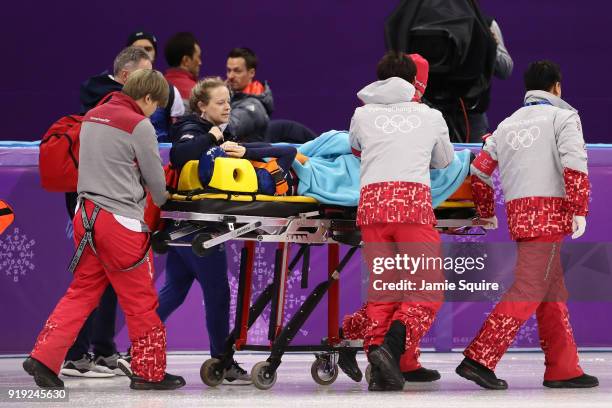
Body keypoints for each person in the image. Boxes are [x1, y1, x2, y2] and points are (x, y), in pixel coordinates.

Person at [24, 69, 185, 390]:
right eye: (158, 107)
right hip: (121, 221)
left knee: (82, 291)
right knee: (140, 299)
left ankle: (43, 357)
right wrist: (169, 197)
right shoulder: (139, 125)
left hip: (86, 216)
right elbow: (156, 185)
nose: (156, 114)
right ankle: (149, 372)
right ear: (149, 97)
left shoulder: (93, 116)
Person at [455, 60, 598, 390]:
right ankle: (479, 358)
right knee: (531, 289)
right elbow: (574, 163)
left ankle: (563, 368)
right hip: (551, 216)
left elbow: (479, 170)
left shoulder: (505, 125)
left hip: (520, 216)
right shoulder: (564, 117)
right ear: (557, 87)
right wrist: (579, 208)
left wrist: (487, 210)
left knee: (551, 295)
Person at [349, 51, 454, 391]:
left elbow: (357, 150)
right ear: (413, 81)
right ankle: (391, 350)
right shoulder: (431, 115)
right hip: (411, 206)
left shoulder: (361, 115)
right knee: (427, 288)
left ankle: (383, 370)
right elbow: (444, 160)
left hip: (372, 206)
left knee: (383, 291)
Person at [61, 46, 154, 379]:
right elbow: (147, 174)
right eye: (147, 74)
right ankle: (84, 354)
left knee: (94, 284)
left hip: (88, 204)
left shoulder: (97, 106)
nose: (153, 83)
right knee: (115, 288)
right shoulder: (122, 112)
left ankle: (94, 351)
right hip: (110, 210)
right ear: (128, 77)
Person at [126, 30, 185, 141]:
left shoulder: (170, 92)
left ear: (155, 54)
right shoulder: (115, 89)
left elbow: (177, 135)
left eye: (148, 49)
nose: (143, 52)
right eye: (137, 49)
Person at [226, 47, 274, 142]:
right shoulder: (229, 94)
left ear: (251, 73)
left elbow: (227, 129)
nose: (230, 76)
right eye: (229, 70)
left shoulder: (253, 106)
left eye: (237, 71)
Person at [164, 32, 201, 110]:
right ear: (186, 60)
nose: (200, 62)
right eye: (198, 57)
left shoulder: (157, 87)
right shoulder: (197, 92)